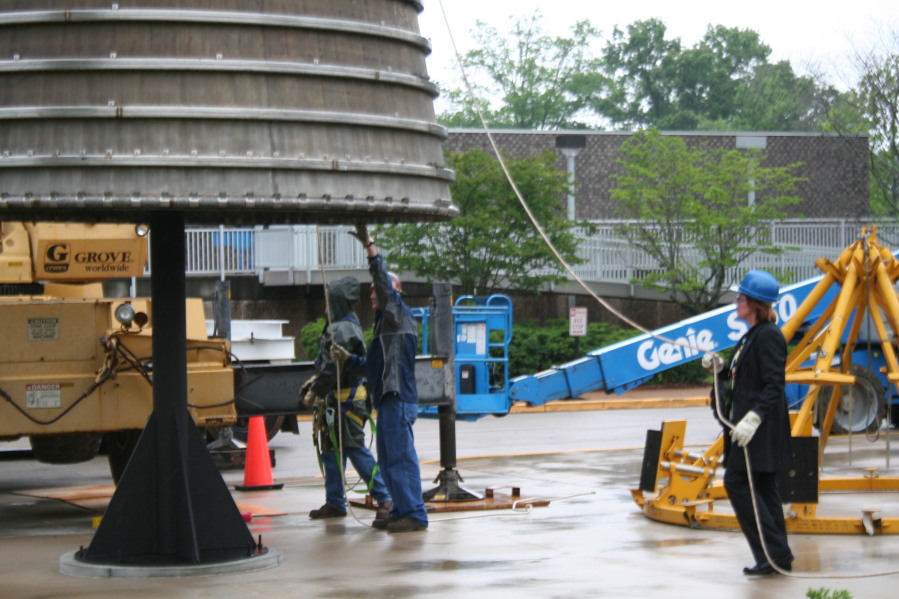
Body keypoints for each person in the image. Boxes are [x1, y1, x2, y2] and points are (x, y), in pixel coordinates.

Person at [703, 269, 794, 576]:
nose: (736, 302)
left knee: (737, 483)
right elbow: (741, 378)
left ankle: (769, 555)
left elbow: (773, 384)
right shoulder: (752, 336)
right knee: (764, 489)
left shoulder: (768, 337)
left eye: (740, 297)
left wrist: (752, 419)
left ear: (754, 303)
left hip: (759, 432)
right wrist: (720, 369)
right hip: (751, 432)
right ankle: (776, 556)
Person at [348, 223, 429, 533]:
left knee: (400, 460)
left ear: (392, 292)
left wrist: (371, 249)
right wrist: (351, 361)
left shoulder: (396, 313)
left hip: (397, 399)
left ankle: (414, 514)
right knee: (389, 458)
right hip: (389, 400)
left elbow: (381, 283)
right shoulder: (386, 323)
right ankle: (401, 510)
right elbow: (373, 365)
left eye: (374, 291)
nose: (371, 296)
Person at [301, 275, 392, 524]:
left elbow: (332, 368)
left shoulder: (339, 329)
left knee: (354, 450)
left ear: (338, 302)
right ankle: (335, 501)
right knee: (331, 452)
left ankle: (385, 498)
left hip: (346, 402)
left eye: (329, 301)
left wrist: (315, 390)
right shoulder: (346, 325)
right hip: (337, 402)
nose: (325, 307)